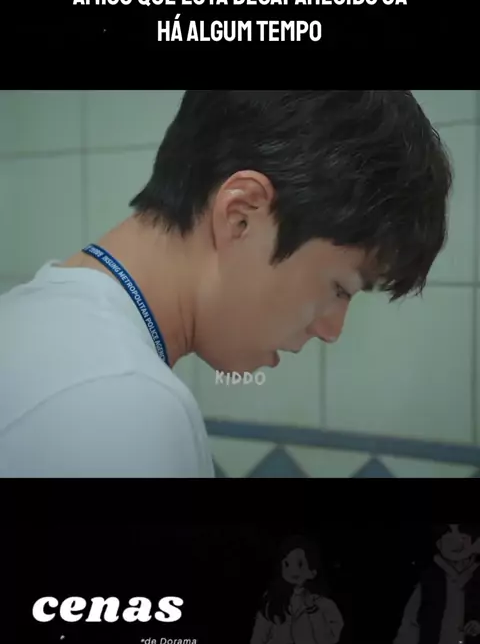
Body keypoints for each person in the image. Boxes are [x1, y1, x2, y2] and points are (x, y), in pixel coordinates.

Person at [0, 90, 453, 477]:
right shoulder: (125, 405)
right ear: (241, 216)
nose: (331, 330)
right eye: (341, 287)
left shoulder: (28, 319)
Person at [390, 523, 480, 644]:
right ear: (439, 543)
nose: (457, 542)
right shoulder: (429, 579)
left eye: (462, 536)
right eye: (449, 534)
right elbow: (412, 619)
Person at [250, 534, 343, 644]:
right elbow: (260, 632)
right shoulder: (272, 599)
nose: (293, 570)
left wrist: (313, 610)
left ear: (312, 571)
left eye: (300, 564)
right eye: (287, 564)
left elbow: (328, 640)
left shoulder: (324, 604)